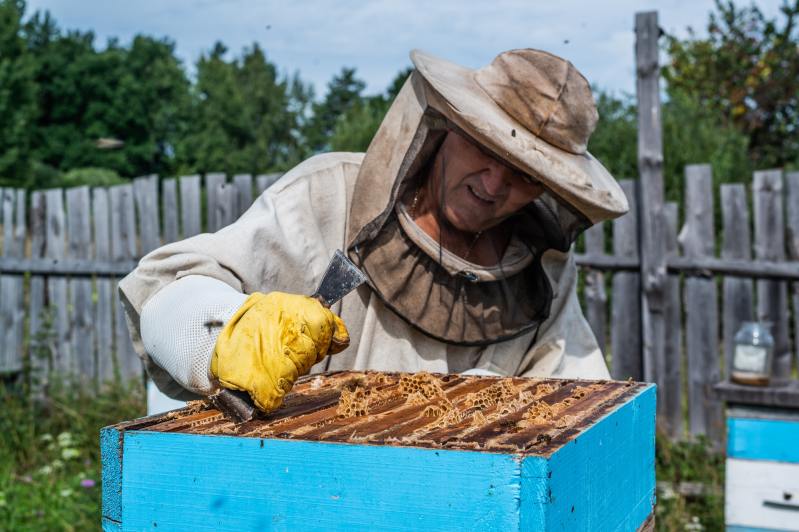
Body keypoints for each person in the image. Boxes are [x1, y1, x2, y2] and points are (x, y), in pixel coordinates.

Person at [119, 48, 628, 413]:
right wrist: (225, 336)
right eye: (487, 151)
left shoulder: (543, 270)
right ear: (449, 127)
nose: (494, 185)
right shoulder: (327, 197)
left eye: (524, 174)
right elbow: (163, 289)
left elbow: (577, 400)